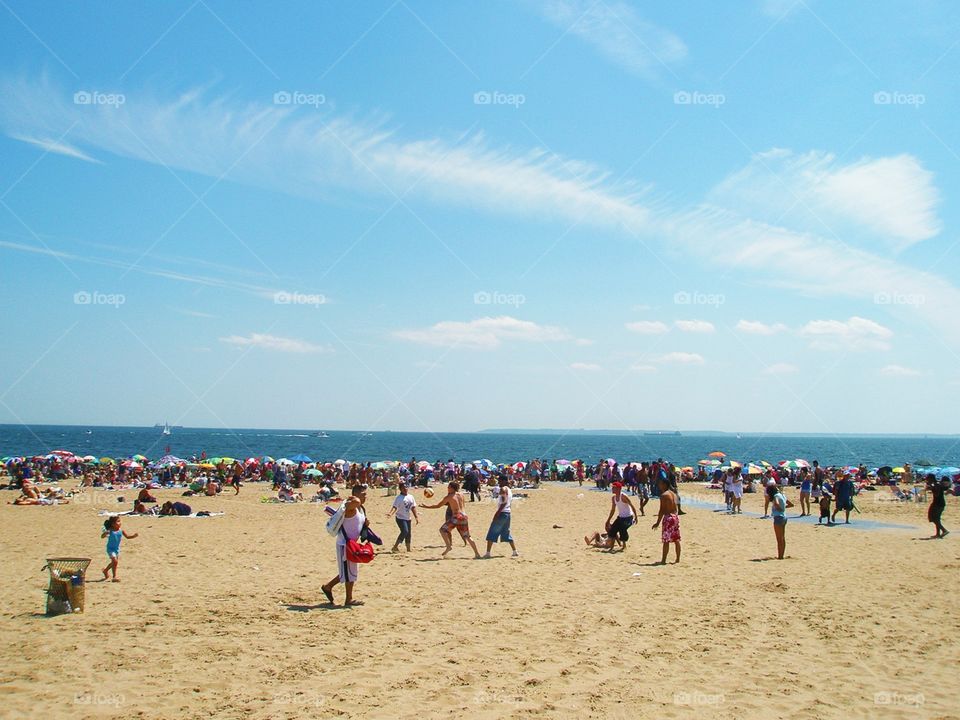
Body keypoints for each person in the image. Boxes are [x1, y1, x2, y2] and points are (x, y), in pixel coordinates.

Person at [321, 484, 368, 607]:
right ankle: (348, 599)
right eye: (363, 494)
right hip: (344, 544)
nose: (365, 497)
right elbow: (353, 503)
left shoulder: (360, 509)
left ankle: (328, 586)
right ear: (356, 495)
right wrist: (355, 498)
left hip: (352, 544)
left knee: (350, 571)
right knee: (348, 572)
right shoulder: (350, 506)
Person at [421, 481, 481, 559]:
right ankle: (477, 554)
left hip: (457, 516)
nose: (447, 488)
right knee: (467, 536)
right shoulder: (461, 494)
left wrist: (426, 507)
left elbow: (438, 506)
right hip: (464, 516)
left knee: (442, 530)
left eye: (449, 487)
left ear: (452, 488)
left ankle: (448, 546)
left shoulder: (449, 497)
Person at [484, 476, 519, 558]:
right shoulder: (509, 489)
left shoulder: (503, 489)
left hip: (502, 513)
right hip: (508, 513)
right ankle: (515, 551)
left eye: (499, 481)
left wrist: (497, 513)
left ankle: (488, 553)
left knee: (492, 531)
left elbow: (504, 502)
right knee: (506, 532)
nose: (498, 483)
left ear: (504, 481)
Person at [651, 477, 681, 564]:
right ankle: (677, 559)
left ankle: (664, 560)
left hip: (668, 518)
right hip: (675, 517)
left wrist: (657, 522)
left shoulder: (664, 495)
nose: (659, 485)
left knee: (666, 540)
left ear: (664, 484)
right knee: (676, 539)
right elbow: (677, 506)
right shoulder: (673, 494)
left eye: (660, 484)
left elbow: (662, 510)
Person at [101, 515, 138, 582]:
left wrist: (134, 536)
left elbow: (127, 537)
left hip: (116, 549)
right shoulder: (110, 531)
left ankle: (105, 570)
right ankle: (114, 577)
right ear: (113, 524)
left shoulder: (121, 530)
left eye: (120, 521)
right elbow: (102, 536)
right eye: (118, 521)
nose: (120, 523)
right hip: (110, 549)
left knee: (114, 562)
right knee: (115, 561)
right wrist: (105, 533)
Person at [386, 481, 419, 552]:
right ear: (400, 489)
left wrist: (416, 517)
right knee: (404, 531)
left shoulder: (411, 497)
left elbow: (413, 507)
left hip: (408, 518)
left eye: (406, 487)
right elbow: (395, 507)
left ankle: (408, 549)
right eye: (403, 488)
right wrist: (390, 513)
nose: (405, 489)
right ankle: (395, 547)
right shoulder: (399, 498)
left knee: (408, 534)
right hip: (400, 518)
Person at [605, 482, 638, 552]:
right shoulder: (613, 498)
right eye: (612, 487)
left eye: (614, 488)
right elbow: (613, 510)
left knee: (622, 529)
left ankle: (624, 546)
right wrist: (608, 520)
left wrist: (636, 517)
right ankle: (611, 547)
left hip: (628, 517)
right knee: (612, 529)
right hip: (621, 517)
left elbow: (632, 505)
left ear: (618, 489)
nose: (612, 489)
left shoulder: (623, 496)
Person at [768, 480, 794, 559]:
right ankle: (781, 555)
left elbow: (776, 503)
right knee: (783, 538)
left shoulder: (776, 496)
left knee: (779, 539)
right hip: (784, 517)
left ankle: (780, 556)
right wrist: (783, 508)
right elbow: (791, 504)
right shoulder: (782, 495)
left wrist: (779, 509)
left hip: (778, 517)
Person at [927, 473, 950, 539]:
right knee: (936, 519)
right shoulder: (937, 484)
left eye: (928, 479)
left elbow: (937, 494)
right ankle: (938, 534)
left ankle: (944, 530)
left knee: (934, 518)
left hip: (938, 504)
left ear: (931, 479)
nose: (927, 481)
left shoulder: (936, 485)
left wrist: (931, 488)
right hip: (938, 503)